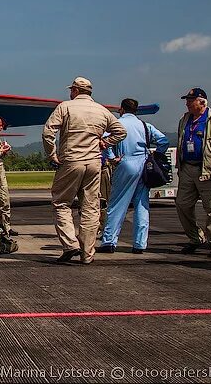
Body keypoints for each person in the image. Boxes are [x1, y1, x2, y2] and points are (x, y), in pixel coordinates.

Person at [42, 77, 126, 265]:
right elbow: (121, 131)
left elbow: (48, 132)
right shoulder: (102, 110)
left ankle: (70, 243)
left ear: (74, 91)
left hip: (71, 160)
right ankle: (87, 253)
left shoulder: (65, 107)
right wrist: (105, 142)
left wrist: (52, 154)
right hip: (94, 162)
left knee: (61, 202)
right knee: (90, 207)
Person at [99, 98, 169, 254]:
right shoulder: (145, 126)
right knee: (142, 205)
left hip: (125, 162)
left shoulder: (117, 124)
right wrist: (156, 155)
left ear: (122, 109)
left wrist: (111, 158)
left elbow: (104, 142)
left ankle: (109, 241)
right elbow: (163, 141)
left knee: (117, 203)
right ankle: (139, 244)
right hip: (143, 164)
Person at [174, 87, 211, 258]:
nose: (187, 104)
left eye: (191, 101)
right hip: (187, 168)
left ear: (202, 102)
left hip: (207, 170)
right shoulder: (185, 119)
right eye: (187, 101)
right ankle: (196, 238)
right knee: (182, 204)